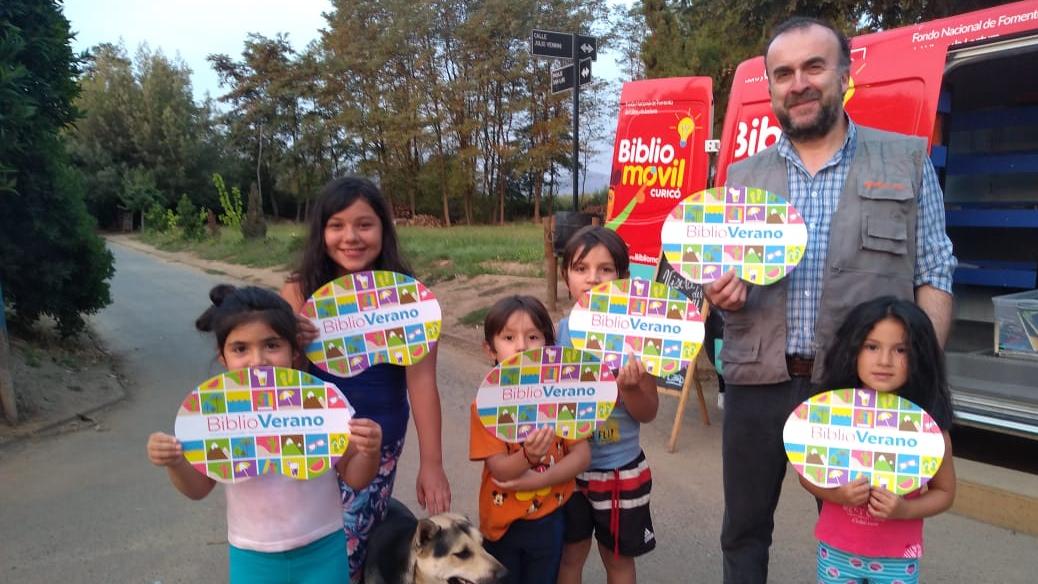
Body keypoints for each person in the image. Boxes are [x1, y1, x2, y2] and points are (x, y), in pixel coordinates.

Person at [705, 16, 956, 584]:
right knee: (743, 531)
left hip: (854, 396)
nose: (798, 83)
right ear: (770, 87)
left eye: (814, 66)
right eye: (783, 73)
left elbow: (935, 271)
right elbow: (717, 286)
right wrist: (722, 295)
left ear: (845, 74)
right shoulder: (742, 178)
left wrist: (915, 379)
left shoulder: (906, 162)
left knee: (867, 534)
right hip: (756, 382)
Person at [146, 285, 382, 583]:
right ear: (223, 357)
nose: (257, 361)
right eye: (240, 349)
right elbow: (198, 488)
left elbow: (355, 476)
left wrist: (368, 451)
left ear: (294, 350)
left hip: (323, 547)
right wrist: (174, 461)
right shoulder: (212, 413)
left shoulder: (322, 402)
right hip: (252, 556)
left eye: (272, 345)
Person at [280, 176, 451, 581]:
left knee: (349, 552)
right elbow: (276, 382)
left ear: (383, 229)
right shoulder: (297, 291)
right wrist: (292, 342)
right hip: (309, 441)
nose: (351, 237)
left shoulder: (410, 301)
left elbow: (422, 384)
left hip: (376, 444)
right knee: (304, 544)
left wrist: (432, 463)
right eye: (337, 225)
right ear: (321, 231)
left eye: (364, 224)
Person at [801, 296, 956, 583]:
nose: (884, 361)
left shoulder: (927, 429)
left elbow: (945, 492)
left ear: (920, 355)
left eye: (901, 350)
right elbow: (806, 473)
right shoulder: (830, 415)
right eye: (872, 347)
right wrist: (836, 495)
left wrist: (906, 509)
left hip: (898, 556)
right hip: (837, 550)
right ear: (853, 350)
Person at [555, 226, 660, 584]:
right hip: (566, 471)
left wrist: (631, 388)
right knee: (568, 559)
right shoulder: (556, 336)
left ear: (623, 277)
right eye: (581, 268)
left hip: (621, 472)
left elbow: (648, 411)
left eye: (606, 269)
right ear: (565, 275)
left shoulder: (636, 339)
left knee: (618, 562)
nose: (593, 279)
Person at [469, 295, 591, 584]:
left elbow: (582, 455)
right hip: (502, 525)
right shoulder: (487, 405)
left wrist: (541, 477)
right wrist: (527, 457)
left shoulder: (562, 396)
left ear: (549, 346)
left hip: (550, 518)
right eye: (509, 337)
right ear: (490, 349)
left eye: (533, 336)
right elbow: (499, 471)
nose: (521, 346)